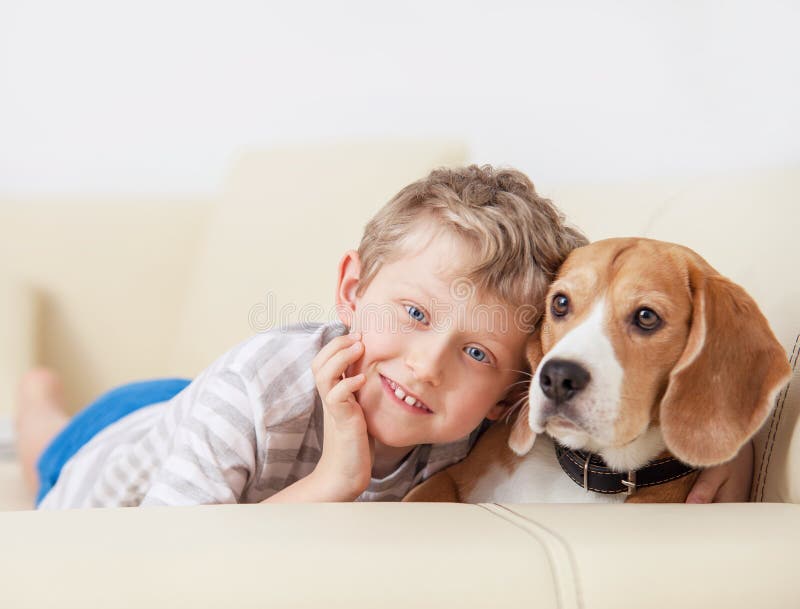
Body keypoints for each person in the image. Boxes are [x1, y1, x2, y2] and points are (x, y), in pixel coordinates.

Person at [16, 165, 752, 508]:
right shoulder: (251, 392)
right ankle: (37, 398)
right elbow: (178, 555)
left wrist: (730, 436)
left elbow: (629, 404)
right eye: (415, 313)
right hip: (133, 452)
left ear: (508, 393)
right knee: (54, 446)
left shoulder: (466, 425)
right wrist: (331, 483)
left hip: (212, 419)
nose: (429, 366)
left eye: (476, 353)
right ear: (351, 291)